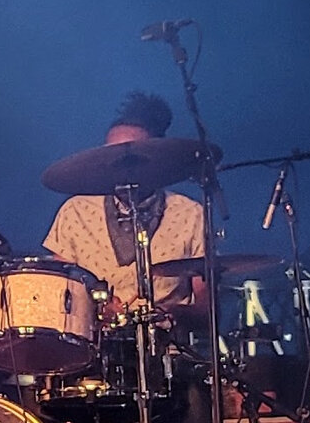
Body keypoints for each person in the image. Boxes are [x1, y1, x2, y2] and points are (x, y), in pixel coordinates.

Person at [41, 90, 210, 324]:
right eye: (113, 158)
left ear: (157, 158)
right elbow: (59, 290)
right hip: (95, 347)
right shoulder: (76, 212)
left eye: (132, 159)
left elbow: (206, 303)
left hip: (168, 347)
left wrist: (173, 314)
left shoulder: (190, 214)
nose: (121, 168)